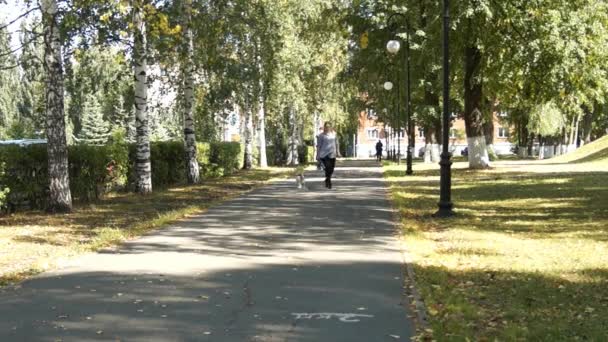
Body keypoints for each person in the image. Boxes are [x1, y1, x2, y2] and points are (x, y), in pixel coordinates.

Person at [316, 122, 339, 189]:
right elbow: (319, 146)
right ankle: (328, 181)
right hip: (324, 154)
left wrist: (338, 152)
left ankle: (327, 179)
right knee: (328, 167)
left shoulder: (334, 134)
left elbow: (337, 143)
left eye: (329, 126)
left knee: (331, 169)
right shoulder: (321, 136)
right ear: (324, 127)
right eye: (326, 126)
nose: (327, 128)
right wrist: (317, 155)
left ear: (331, 127)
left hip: (332, 154)